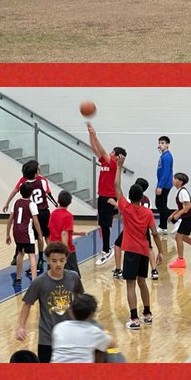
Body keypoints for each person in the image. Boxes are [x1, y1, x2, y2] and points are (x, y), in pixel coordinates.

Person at [15, 241, 84, 362]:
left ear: (66, 260)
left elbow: (81, 299)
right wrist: (21, 327)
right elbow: (27, 305)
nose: (58, 264)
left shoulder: (73, 277)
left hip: (69, 337)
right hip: (47, 339)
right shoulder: (39, 282)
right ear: (48, 260)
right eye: (54, 261)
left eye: (62, 260)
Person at [116, 181, 163, 330]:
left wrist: (119, 166)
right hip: (144, 251)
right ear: (142, 197)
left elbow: (117, 186)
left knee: (130, 285)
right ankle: (148, 314)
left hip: (131, 251)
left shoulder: (126, 208)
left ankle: (134, 318)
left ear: (129, 197)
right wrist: (160, 251)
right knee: (142, 282)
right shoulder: (148, 213)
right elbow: (155, 233)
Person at [3, 160, 55, 272]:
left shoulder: (23, 182)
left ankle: (18, 254)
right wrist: (56, 204)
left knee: (28, 236)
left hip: (31, 213)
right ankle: (46, 258)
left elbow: (14, 191)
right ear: (36, 172)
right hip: (43, 212)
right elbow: (48, 194)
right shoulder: (42, 180)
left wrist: (7, 202)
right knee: (45, 237)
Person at [85, 122, 123, 264]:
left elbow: (101, 150)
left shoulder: (114, 164)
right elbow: (95, 149)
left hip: (108, 197)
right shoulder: (106, 163)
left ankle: (107, 249)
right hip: (102, 195)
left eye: (113, 152)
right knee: (102, 223)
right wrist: (90, 135)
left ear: (117, 156)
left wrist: (95, 135)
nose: (110, 153)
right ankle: (106, 248)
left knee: (105, 224)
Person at [51, 293, 115, 363]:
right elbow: (112, 344)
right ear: (92, 315)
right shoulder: (94, 332)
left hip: (55, 371)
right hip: (81, 372)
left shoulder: (59, 327)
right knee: (103, 351)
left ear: (70, 311)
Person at [6, 181, 43, 285]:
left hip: (16, 231)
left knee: (20, 254)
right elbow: (36, 222)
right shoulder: (32, 204)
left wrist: (7, 234)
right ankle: (35, 280)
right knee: (31, 255)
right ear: (31, 193)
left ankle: (18, 278)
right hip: (26, 232)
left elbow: (10, 220)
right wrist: (40, 235)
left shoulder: (16, 202)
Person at [166, 173, 191, 268]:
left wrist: (178, 214)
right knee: (182, 237)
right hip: (188, 216)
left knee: (178, 237)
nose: (173, 180)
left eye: (174, 179)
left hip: (190, 216)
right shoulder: (179, 191)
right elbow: (181, 207)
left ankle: (180, 260)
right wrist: (173, 214)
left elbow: (188, 206)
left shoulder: (183, 192)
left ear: (180, 181)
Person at [47, 191, 77, 271]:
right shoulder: (68, 216)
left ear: (58, 201)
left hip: (53, 249)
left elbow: (52, 232)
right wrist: (66, 252)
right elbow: (64, 233)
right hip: (65, 250)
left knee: (53, 276)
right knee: (73, 278)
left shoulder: (53, 214)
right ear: (70, 202)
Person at [155, 134, 174, 232]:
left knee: (160, 205)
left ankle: (176, 220)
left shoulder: (167, 157)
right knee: (162, 204)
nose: (160, 145)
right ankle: (163, 226)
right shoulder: (163, 156)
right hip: (162, 184)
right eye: (159, 143)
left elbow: (166, 173)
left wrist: (160, 186)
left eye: (162, 143)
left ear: (167, 145)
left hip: (165, 185)